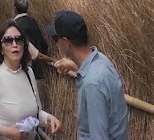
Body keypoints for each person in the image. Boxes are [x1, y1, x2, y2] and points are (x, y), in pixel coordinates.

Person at [47, 10, 129, 140]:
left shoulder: (92, 84)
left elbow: (99, 136)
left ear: (65, 42)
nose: (56, 43)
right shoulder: (101, 60)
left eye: (55, 39)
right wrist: (74, 65)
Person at [0, 20, 61, 139]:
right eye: (8, 40)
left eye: (18, 39)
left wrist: (48, 118)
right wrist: (5, 131)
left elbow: (36, 112)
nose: (14, 44)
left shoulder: (28, 73)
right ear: (1, 48)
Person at [13, 0, 49, 80]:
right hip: (36, 66)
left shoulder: (14, 25)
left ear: (15, 8)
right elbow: (42, 43)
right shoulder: (33, 22)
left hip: (20, 68)